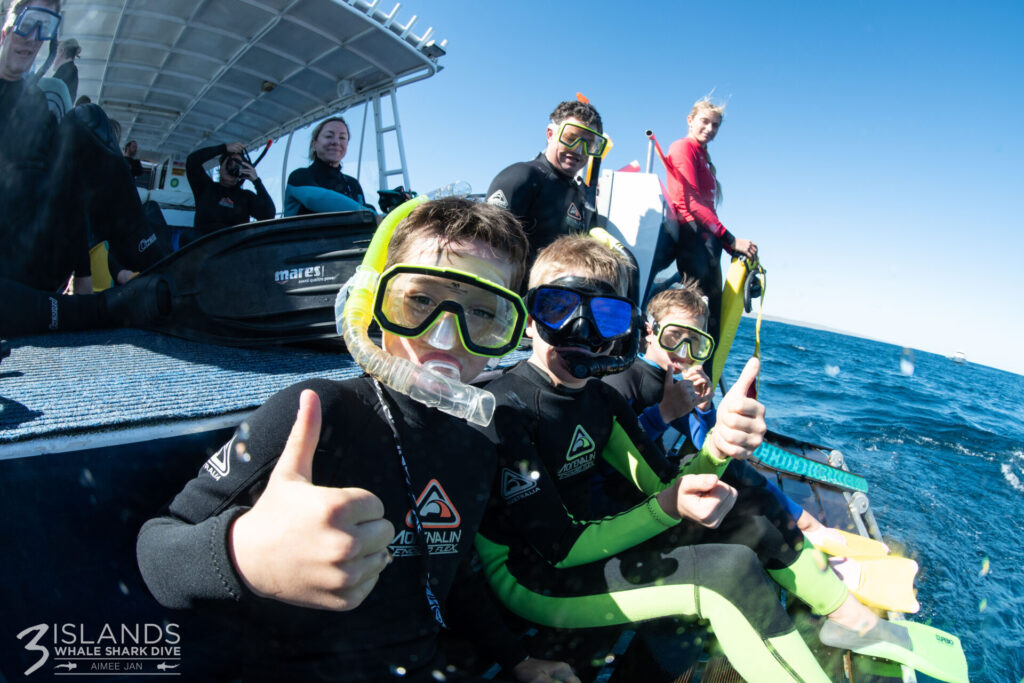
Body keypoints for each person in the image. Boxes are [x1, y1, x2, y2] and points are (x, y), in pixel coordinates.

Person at [136, 198, 578, 683]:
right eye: (421, 301)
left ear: (506, 329)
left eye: (481, 313)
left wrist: (518, 660)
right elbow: (157, 548)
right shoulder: (316, 414)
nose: (448, 337)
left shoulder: (476, 446)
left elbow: (451, 575)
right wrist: (244, 552)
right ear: (373, 304)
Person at [475, 234, 954, 682]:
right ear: (528, 313)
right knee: (723, 577)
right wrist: (667, 507)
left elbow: (664, 484)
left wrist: (718, 446)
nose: (581, 331)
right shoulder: (507, 409)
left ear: (622, 326)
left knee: (751, 519)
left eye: (605, 317)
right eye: (557, 308)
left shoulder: (601, 400)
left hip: (593, 538)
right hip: (532, 575)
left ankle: (853, 622)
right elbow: (560, 546)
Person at [0, 0, 166, 335]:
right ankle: (106, 309)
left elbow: (69, 193)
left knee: (87, 120)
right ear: (5, 29)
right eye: (28, 24)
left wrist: (84, 275)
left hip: (38, 252)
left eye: (45, 29)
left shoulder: (37, 102)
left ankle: (158, 266)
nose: (33, 39)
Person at [663, 97, 757, 351]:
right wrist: (730, 239)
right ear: (690, 120)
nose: (709, 129)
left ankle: (704, 374)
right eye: (705, 121)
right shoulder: (683, 148)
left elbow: (709, 210)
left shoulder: (703, 157)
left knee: (712, 315)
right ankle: (689, 370)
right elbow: (692, 202)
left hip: (707, 241)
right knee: (699, 312)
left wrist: (729, 246)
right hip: (692, 237)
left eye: (715, 125)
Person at [485, 100, 607, 273]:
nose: (579, 151)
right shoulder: (522, 177)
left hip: (551, 297)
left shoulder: (580, 197)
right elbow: (486, 249)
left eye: (589, 144)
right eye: (571, 138)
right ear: (550, 134)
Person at [284, 116, 376, 217]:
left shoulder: (353, 184)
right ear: (314, 144)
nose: (336, 142)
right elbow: (319, 199)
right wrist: (369, 213)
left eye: (342, 137)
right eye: (329, 136)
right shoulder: (299, 177)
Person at [186, 141, 275, 236]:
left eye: (237, 165)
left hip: (233, 247)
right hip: (205, 246)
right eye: (229, 163)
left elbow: (268, 215)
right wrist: (223, 148)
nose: (232, 167)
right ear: (221, 167)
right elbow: (192, 161)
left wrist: (257, 182)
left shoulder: (246, 197)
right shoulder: (205, 187)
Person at [49, 36, 77, 100]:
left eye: (54, 54)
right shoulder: (72, 70)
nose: (52, 61)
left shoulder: (64, 71)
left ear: (62, 51)